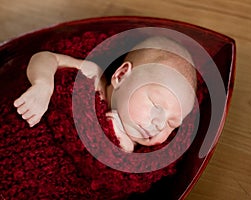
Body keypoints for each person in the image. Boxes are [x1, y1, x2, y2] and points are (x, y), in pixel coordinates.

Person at [13, 36, 197, 152]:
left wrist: (121, 143)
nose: (159, 125)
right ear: (121, 75)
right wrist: (43, 84)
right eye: (156, 105)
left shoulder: (135, 150)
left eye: (172, 124)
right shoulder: (92, 75)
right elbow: (45, 57)